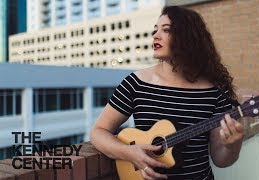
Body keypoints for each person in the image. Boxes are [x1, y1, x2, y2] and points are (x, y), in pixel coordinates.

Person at [90, 6, 245, 180]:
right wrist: (128, 153)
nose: (155, 35)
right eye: (155, 30)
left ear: (188, 38)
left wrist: (233, 145)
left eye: (166, 30)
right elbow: (98, 132)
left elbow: (221, 160)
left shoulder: (214, 92)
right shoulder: (136, 82)